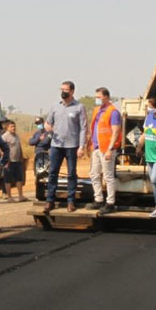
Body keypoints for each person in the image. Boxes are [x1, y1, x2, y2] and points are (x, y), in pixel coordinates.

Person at [43, 81, 88, 214]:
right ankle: (50, 200)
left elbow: (83, 128)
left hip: (72, 146)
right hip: (56, 145)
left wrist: (81, 146)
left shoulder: (79, 107)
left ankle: (70, 201)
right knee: (52, 173)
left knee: (71, 174)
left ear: (72, 91)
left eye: (66, 90)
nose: (63, 92)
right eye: (61, 89)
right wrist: (48, 127)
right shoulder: (55, 106)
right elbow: (48, 122)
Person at [88, 87, 122, 214]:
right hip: (96, 147)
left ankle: (110, 202)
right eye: (96, 97)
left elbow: (116, 131)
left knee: (108, 176)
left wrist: (110, 148)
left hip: (107, 148)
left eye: (99, 97)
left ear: (106, 97)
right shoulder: (97, 110)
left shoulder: (113, 112)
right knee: (94, 174)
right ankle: (98, 199)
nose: (97, 99)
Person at [2, 120, 26, 202]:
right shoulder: (4, 137)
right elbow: (1, 149)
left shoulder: (16, 136)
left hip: (17, 161)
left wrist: (21, 156)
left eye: (14, 126)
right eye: (11, 126)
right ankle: (9, 197)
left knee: (19, 178)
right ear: (7, 128)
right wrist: (5, 159)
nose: (13, 128)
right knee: (8, 179)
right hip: (9, 162)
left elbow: (19, 147)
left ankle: (20, 195)